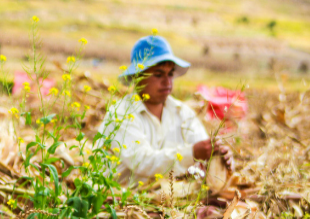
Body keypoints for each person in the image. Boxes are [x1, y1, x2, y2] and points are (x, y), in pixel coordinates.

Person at [96, 35, 233, 185]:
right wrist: (192, 153)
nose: (167, 82)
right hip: (123, 198)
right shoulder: (121, 114)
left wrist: (218, 157)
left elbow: (203, 149)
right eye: (159, 75)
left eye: (170, 74)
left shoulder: (183, 113)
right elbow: (141, 161)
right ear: (138, 77)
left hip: (168, 196)